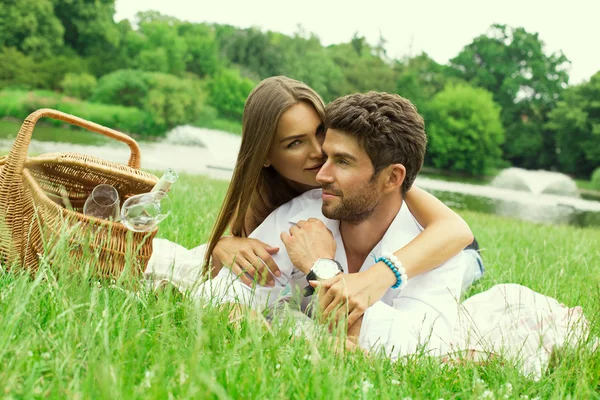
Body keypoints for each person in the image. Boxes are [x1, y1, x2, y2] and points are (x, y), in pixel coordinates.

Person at [197, 91, 592, 379]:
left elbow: (421, 349)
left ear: (393, 178)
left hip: (457, 254)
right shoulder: (301, 217)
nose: (319, 172)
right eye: (321, 151)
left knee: (471, 268)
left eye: (342, 161)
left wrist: (322, 270)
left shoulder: (438, 249)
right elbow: (215, 300)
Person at [146, 77, 484, 313]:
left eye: (321, 134)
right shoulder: (280, 208)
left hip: (456, 249)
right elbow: (227, 288)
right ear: (265, 155)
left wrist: (368, 276)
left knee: (461, 266)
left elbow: (454, 231)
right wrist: (223, 244)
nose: (319, 152)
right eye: (295, 143)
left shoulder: (385, 188)